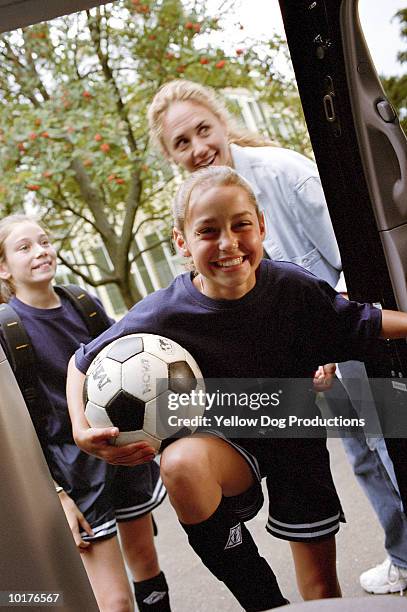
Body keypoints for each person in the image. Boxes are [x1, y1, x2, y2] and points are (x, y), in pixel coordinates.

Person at [67, 166, 407, 611]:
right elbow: (82, 362)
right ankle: (263, 602)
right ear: (182, 243)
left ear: (261, 227)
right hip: (224, 447)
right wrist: (80, 429)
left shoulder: (293, 286)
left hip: (294, 437)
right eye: (208, 231)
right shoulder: (162, 314)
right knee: (181, 462)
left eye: (240, 225)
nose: (228, 243)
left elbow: (365, 322)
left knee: (321, 591)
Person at [147, 79, 407, 595]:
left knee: (384, 442)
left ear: (222, 124)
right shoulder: (197, 206)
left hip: (340, 328)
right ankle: (401, 555)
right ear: (171, 155)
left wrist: (327, 336)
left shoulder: (285, 173)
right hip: (297, 358)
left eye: (204, 130)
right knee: (358, 455)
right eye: (182, 142)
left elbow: (350, 256)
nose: (198, 147)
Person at [0, 214, 171, 612]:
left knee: (147, 565)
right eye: (24, 247)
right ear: (4, 267)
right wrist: (58, 496)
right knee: (113, 601)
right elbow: (21, 430)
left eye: (44, 241)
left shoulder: (82, 302)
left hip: (122, 453)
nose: (40, 251)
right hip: (74, 476)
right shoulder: (8, 329)